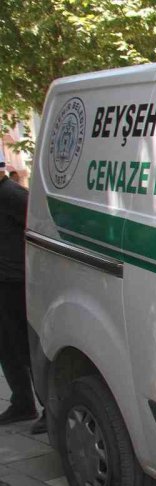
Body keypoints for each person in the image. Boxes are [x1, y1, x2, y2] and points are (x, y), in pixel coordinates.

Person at [0, 158, 40, 427]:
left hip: (16, 282)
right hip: (3, 281)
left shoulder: (12, 195)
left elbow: (37, 225)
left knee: (26, 346)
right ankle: (22, 403)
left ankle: (50, 408)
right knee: (6, 346)